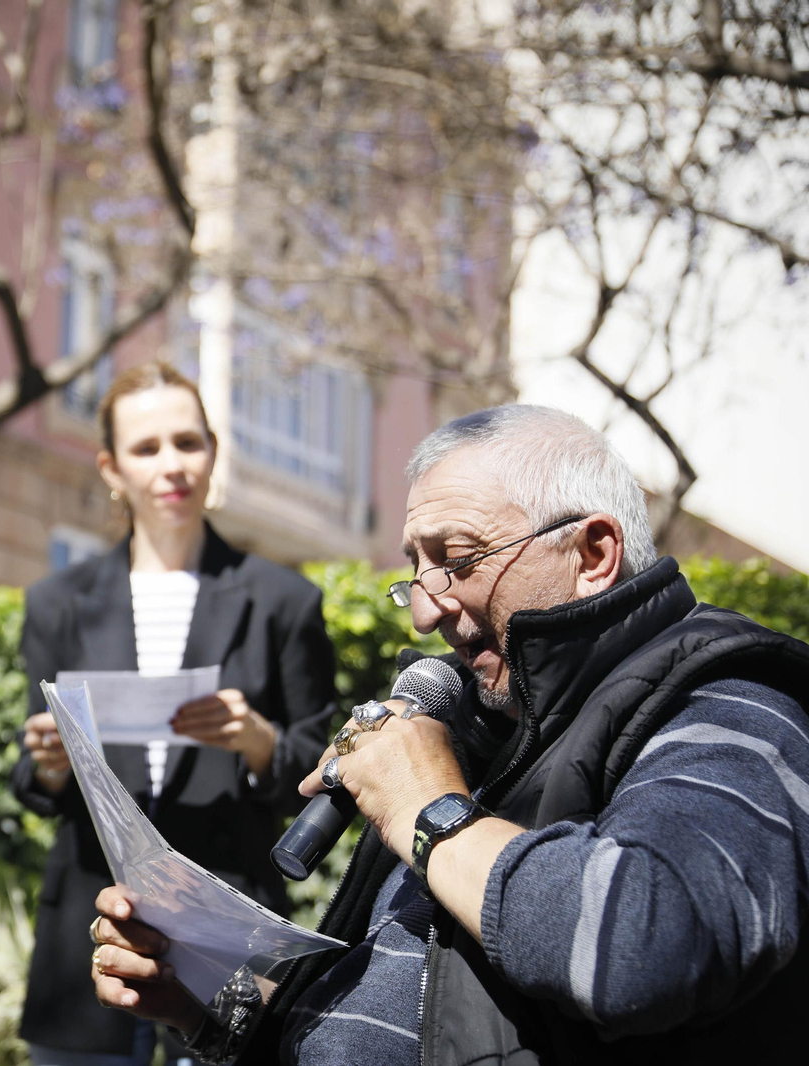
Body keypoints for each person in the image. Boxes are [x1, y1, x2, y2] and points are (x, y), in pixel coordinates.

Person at [86, 405, 809, 1064]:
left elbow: (649, 946)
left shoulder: (731, 702)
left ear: (592, 554)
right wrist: (205, 1001)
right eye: (415, 569)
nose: (424, 615)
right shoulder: (477, 729)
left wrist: (428, 812)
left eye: (458, 560)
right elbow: (396, 1010)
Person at [13, 361, 339, 1065]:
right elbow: (32, 779)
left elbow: (324, 772)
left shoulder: (284, 602)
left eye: (188, 442)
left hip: (224, 939)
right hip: (88, 937)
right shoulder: (57, 602)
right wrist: (46, 764)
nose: (172, 465)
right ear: (111, 467)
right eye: (147, 447)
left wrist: (258, 743)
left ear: (214, 451)